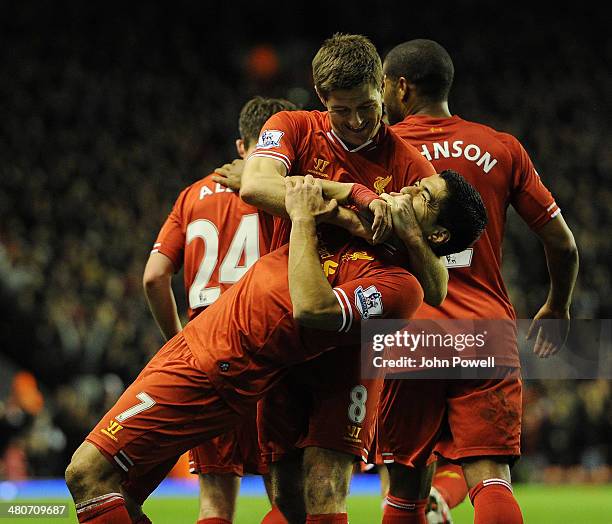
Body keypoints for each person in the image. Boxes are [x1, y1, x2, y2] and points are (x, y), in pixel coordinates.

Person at [64, 172, 487, 524]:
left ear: (436, 232)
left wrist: (303, 220)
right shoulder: (366, 228)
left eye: (424, 197)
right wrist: (355, 196)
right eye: (417, 184)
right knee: (121, 495)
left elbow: (313, 308)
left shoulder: (401, 288)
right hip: (195, 344)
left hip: (219, 367)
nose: (408, 190)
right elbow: (312, 184)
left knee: (86, 475)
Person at [238, 33, 449, 524]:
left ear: (383, 87)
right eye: (342, 111)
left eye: (368, 108)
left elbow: (437, 283)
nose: (357, 122)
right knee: (285, 494)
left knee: (326, 484)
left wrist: (411, 238)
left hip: (351, 345)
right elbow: (254, 184)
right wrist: (351, 203)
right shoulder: (290, 127)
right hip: (286, 333)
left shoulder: (409, 165)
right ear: (319, 94)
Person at [378, 39, 579, 524]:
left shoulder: (382, 150)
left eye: (384, 83)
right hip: (484, 329)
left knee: (404, 487)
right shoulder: (500, 147)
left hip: (407, 330)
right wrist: (557, 305)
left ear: (401, 87)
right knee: (489, 476)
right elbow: (564, 244)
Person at [142, 96, 296, 524]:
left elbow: (154, 277)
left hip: (207, 355)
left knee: (214, 502)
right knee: (287, 498)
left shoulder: (193, 195)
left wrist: (177, 339)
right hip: (270, 348)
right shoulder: (287, 193)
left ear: (241, 145)